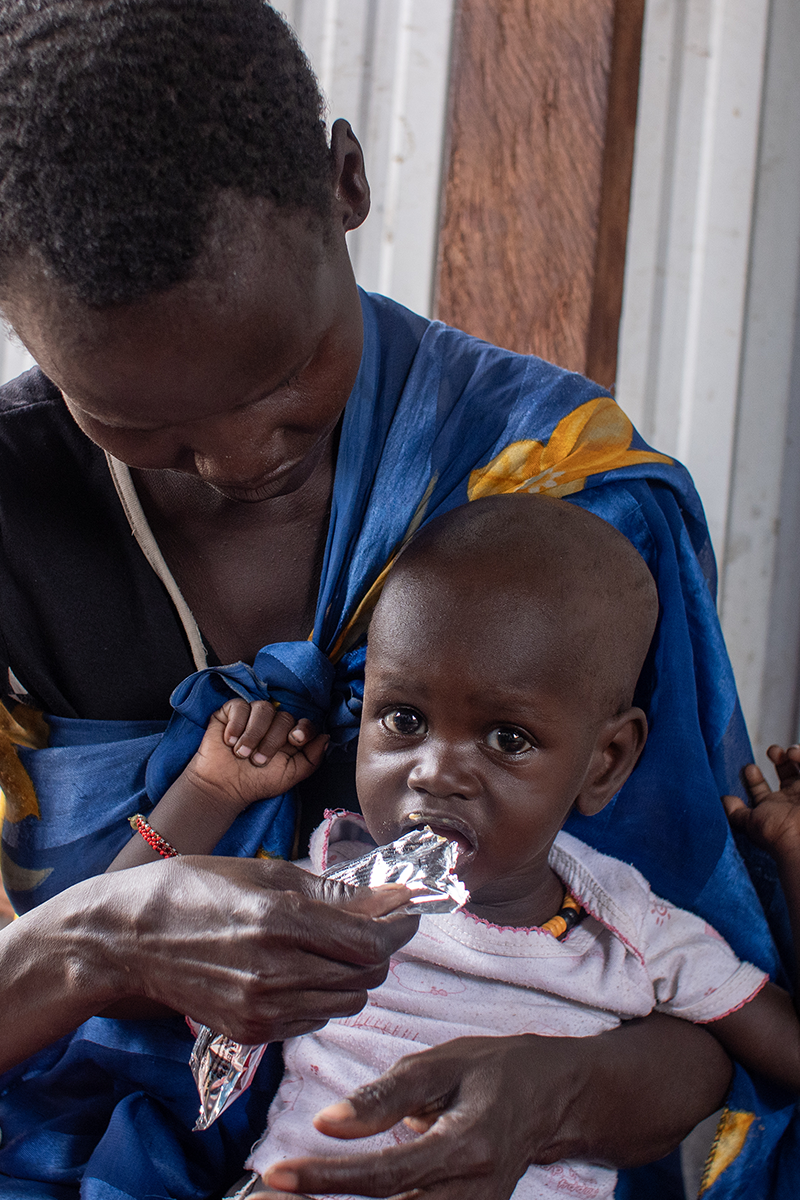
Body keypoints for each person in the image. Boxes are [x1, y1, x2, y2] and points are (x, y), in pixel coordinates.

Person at [0, 1, 790, 1198]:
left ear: (346, 181)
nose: (233, 459)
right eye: (139, 426)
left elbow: (705, 1017)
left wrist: (551, 1093)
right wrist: (94, 939)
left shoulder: (561, 510)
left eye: (280, 379)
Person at [114, 494, 800, 1200]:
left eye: (508, 739)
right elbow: (124, 960)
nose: (435, 772)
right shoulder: (331, 892)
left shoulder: (637, 932)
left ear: (606, 762)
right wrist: (208, 789)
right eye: (404, 719)